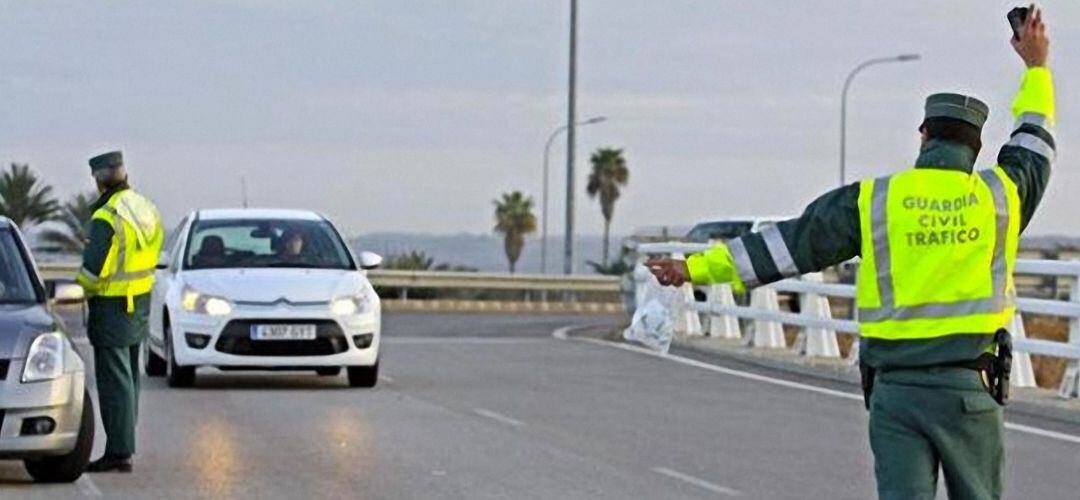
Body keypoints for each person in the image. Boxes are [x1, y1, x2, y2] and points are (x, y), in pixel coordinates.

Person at [647, 7, 1053, 499]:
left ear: (924, 137)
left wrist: (693, 267)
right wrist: (1036, 67)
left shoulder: (874, 201)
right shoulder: (999, 197)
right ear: (976, 148)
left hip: (896, 394)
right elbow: (1033, 140)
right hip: (970, 390)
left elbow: (788, 245)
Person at [76, 150, 165, 473]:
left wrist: (79, 289)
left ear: (98, 180)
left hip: (112, 306)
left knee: (114, 384)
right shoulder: (145, 207)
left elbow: (92, 270)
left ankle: (119, 451)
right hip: (138, 302)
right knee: (129, 380)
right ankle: (124, 445)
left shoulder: (107, 216)